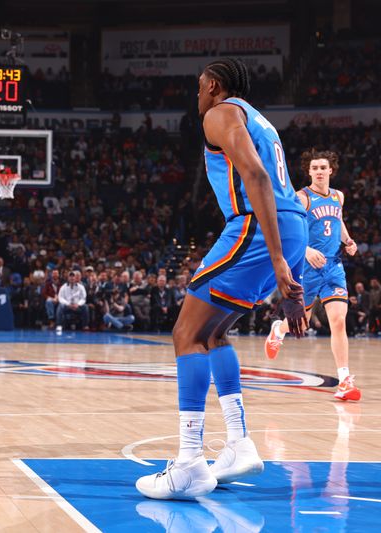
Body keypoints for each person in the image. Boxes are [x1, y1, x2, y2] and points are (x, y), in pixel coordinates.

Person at [136, 58, 308, 500]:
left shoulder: (220, 112)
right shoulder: (260, 120)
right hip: (288, 225)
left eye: (198, 87)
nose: (196, 96)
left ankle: (190, 462)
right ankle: (238, 443)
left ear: (213, 85)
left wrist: (277, 260)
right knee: (213, 334)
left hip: (254, 225)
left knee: (186, 332)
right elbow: (280, 191)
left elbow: (256, 175)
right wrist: (290, 274)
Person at [264, 149, 360, 401]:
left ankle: (344, 380)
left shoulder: (339, 196)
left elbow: (338, 223)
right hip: (307, 267)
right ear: (308, 171)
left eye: (323, 167)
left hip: (333, 266)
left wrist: (348, 241)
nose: (319, 171)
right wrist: (305, 250)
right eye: (314, 168)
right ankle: (279, 330)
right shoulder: (301, 197)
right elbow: (287, 229)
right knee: (301, 323)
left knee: (338, 321)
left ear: (331, 170)